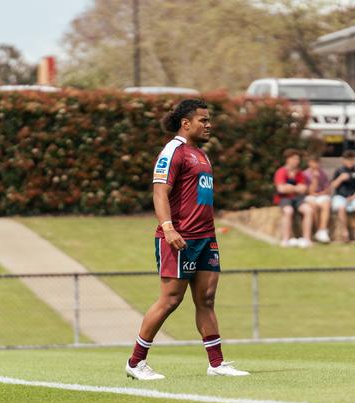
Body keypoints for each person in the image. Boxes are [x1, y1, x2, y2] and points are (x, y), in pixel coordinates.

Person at [125, 99, 249, 380]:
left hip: (206, 238)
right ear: (186, 123)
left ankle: (216, 363)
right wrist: (168, 228)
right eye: (203, 120)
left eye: (209, 120)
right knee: (170, 300)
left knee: (206, 299)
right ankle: (135, 363)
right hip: (180, 238)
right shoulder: (173, 151)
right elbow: (160, 192)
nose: (208, 125)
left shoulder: (201, 155)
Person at [273, 149, 313, 248]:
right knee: (288, 211)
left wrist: (290, 187)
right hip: (285, 199)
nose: (297, 161)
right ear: (288, 159)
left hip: (298, 198)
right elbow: (281, 189)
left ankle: (307, 239)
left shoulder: (299, 173)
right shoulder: (281, 172)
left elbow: (303, 189)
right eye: (295, 159)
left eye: (298, 159)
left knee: (308, 210)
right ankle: (285, 240)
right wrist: (296, 188)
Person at [330, 149, 355, 242]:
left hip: (352, 198)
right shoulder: (338, 171)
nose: (350, 162)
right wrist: (340, 179)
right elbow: (332, 186)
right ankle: (345, 232)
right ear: (343, 160)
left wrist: (353, 197)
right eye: (348, 160)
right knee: (341, 207)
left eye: (352, 160)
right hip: (340, 197)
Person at [303, 154, 331, 244]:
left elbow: (327, 189)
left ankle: (322, 230)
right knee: (313, 205)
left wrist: (322, 193)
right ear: (309, 163)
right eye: (314, 162)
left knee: (326, 203)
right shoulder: (305, 174)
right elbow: (309, 191)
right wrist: (315, 179)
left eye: (317, 162)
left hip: (321, 196)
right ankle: (318, 229)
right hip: (309, 196)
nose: (316, 164)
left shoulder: (323, 173)